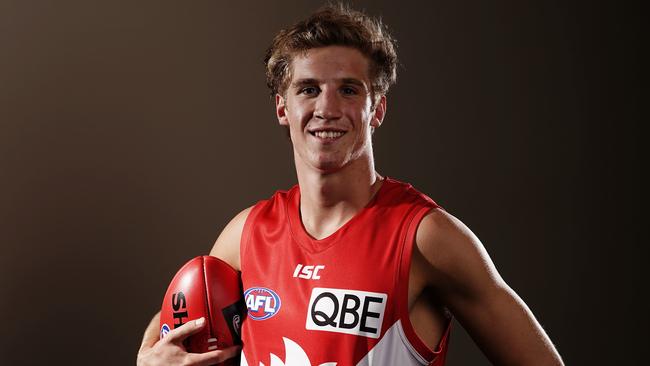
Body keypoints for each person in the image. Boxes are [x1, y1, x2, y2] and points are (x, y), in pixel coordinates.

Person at [137, 4, 564, 366]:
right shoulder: (246, 235)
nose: (327, 108)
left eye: (348, 90)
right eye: (308, 89)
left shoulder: (425, 238)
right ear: (282, 109)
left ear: (376, 110)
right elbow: (172, 330)